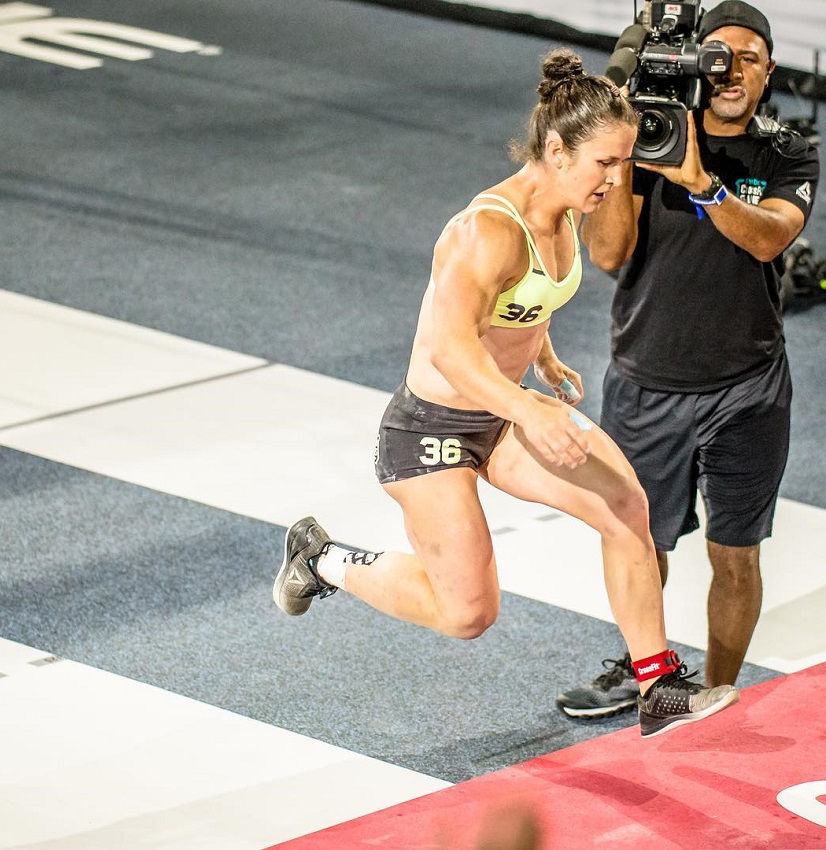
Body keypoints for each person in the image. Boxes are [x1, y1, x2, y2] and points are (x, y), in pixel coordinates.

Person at [274, 47, 740, 738]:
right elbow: (450, 346)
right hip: (431, 428)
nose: (617, 179)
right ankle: (321, 559)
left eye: (623, 162)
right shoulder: (486, 230)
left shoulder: (565, 206)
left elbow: (522, 302)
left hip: (499, 411)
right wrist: (524, 405)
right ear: (556, 149)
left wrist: (542, 359)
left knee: (626, 505)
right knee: (468, 614)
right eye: (604, 164)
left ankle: (658, 688)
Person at [557, 1, 820, 719]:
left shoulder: (789, 153)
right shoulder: (646, 136)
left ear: (770, 73)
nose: (730, 70)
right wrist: (621, 159)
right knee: (641, 540)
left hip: (749, 388)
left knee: (736, 552)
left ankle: (716, 689)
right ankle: (643, 669)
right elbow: (607, 254)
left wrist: (702, 183)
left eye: (749, 58)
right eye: (718, 54)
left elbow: (769, 240)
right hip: (647, 380)